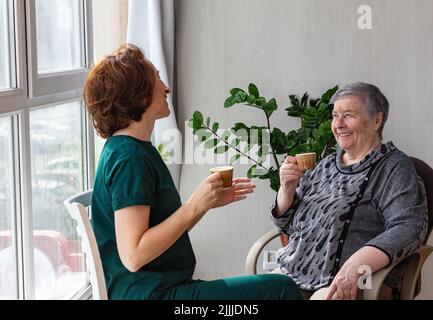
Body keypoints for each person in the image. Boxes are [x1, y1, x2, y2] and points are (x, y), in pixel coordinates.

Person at [83, 44, 302, 300]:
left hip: (164, 290)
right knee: (281, 290)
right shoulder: (129, 157)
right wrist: (194, 206)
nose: (166, 87)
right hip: (156, 296)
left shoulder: (132, 149)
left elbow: (160, 235)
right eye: (156, 77)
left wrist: (205, 204)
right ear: (137, 94)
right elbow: (133, 256)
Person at [271, 82, 428, 300]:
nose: (338, 124)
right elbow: (284, 224)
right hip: (293, 272)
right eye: (335, 115)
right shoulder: (325, 165)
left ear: (377, 120)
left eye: (348, 115)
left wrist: (356, 265)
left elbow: (409, 227)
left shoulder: (393, 167)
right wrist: (286, 190)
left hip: (346, 281)